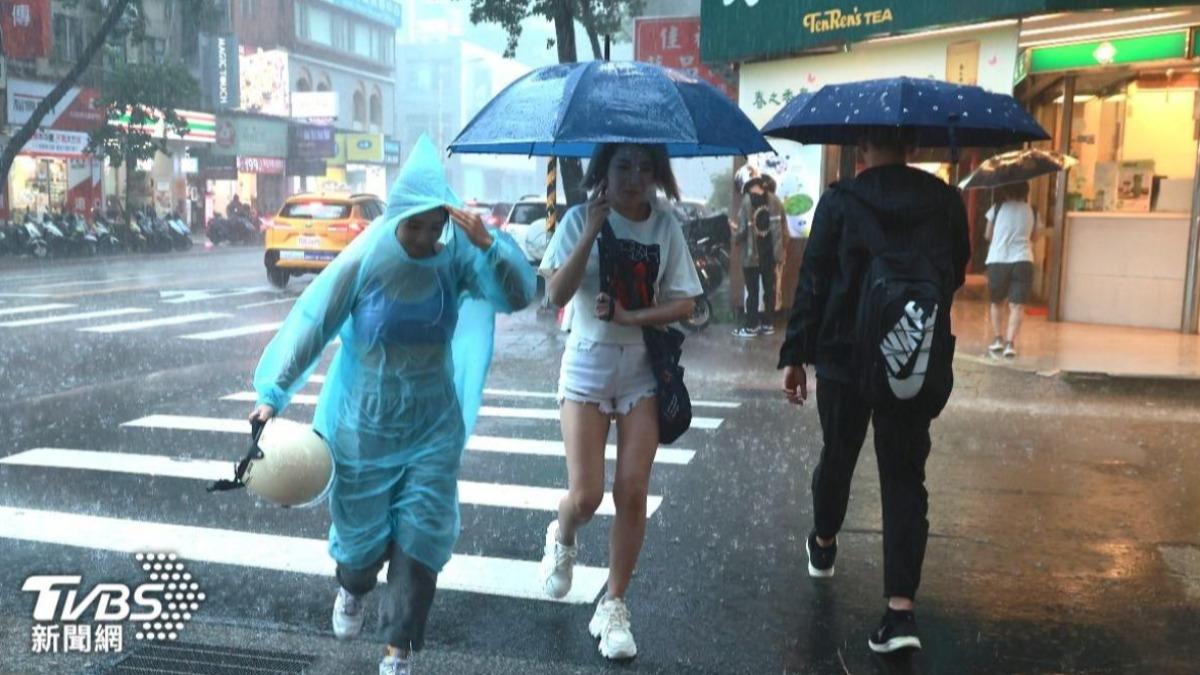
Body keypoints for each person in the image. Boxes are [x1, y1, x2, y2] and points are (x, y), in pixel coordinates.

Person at [247, 135, 536, 675]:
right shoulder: (366, 261)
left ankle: (397, 651)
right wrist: (272, 396)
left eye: (436, 226)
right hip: (364, 428)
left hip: (432, 429)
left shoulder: (456, 262)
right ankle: (352, 587)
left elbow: (519, 295)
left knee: (421, 540)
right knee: (359, 554)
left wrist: (488, 244)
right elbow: (314, 322)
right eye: (415, 226)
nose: (426, 238)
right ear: (398, 216)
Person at [779, 128, 970, 654]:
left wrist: (796, 353)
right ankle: (900, 613)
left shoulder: (841, 201)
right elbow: (955, 273)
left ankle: (823, 542)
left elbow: (813, 278)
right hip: (911, 352)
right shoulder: (944, 201)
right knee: (905, 477)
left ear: (862, 147)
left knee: (838, 455)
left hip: (843, 356)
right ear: (911, 146)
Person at [538, 143, 702, 660]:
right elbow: (556, 295)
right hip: (586, 366)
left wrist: (632, 316)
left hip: (641, 374)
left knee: (632, 493)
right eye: (623, 165)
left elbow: (686, 302)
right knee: (585, 497)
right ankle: (561, 532)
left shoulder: (665, 227)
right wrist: (589, 230)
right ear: (603, 171)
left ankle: (613, 605)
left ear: (657, 174)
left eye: (645, 167)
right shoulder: (575, 221)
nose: (634, 177)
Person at [984, 181, 1036, 358]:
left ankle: (998, 339)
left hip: (998, 258)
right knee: (1017, 305)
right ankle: (1010, 343)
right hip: (1023, 260)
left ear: (1006, 191)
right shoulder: (1032, 210)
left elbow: (987, 235)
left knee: (997, 302)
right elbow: (1033, 236)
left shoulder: (997, 209)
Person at [732, 176, 783, 337]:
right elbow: (782, 226)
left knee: (752, 292)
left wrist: (734, 235)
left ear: (748, 186)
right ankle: (768, 324)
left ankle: (751, 326)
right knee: (769, 290)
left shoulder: (746, 201)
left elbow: (741, 231)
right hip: (770, 253)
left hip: (752, 255)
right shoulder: (775, 200)